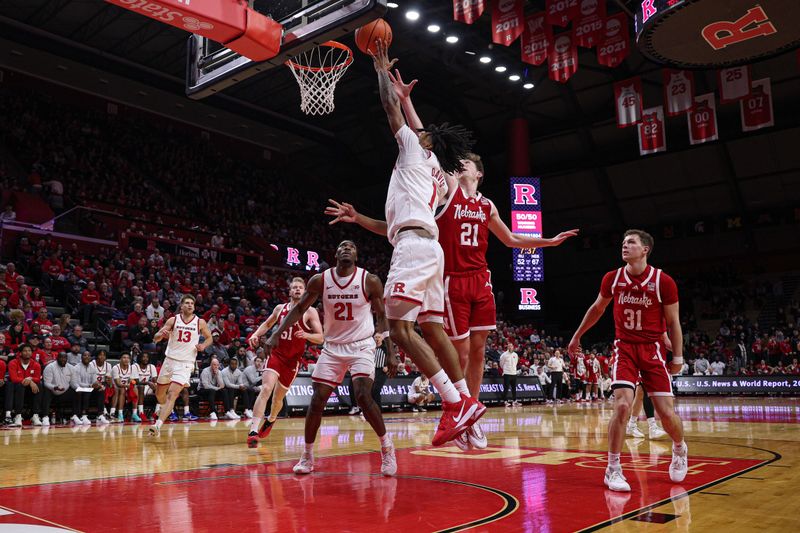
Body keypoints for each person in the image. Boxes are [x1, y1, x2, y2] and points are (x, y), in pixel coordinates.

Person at [337, 39, 485, 446]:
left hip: (414, 248)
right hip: (427, 248)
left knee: (400, 329)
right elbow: (394, 224)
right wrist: (357, 218)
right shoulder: (439, 178)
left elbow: (391, 112)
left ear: (427, 141)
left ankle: (455, 404)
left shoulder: (413, 151)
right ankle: (464, 402)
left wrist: (381, 69)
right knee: (432, 329)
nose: (414, 133)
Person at [264, 240, 400, 475]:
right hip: (333, 346)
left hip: (361, 345)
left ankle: (387, 448)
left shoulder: (369, 280)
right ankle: (307, 454)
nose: (346, 248)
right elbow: (299, 309)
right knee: (317, 400)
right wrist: (276, 332)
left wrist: (391, 352)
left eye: (351, 246)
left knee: (363, 396)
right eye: (342, 246)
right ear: (335, 254)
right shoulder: (320, 280)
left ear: (356, 255)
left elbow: (382, 317)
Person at [568, 229, 688, 492]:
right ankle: (612, 468)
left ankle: (679, 448)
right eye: (623, 242)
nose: (625, 245)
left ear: (645, 249)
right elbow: (597, 308)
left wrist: (677, 356)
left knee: (666, 414)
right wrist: (577, 336)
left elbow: (673, 322)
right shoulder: (613, 278)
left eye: (631, 242)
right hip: (624, 348)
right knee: (622, 406)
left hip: (653, 349)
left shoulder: (662, 281)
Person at [246, 278, 324, 445]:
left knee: (277, 399)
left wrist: (307, 335)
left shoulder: (310, 312)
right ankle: (253, 430)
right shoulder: (280, 308)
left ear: (305, 292)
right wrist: (255, 335)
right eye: (294, 287)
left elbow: (320, 337)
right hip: (276, 355)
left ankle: (272, 418)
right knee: (266, 388)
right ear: (289, 291)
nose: (297, 290)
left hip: (292, 361)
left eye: (300, 288)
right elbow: (267, 324)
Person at [149, 294, 212, 436]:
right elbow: (156, 337)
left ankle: (157, 425)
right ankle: (163, 409)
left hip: (185, 363)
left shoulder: (200, 322)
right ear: (181, 306)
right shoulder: (173, 319)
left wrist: (203, 345)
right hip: (169, 360)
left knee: (173, 393)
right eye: (187, 303)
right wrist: (161, 335)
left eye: (192, 303)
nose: (190, 305)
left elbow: (210, 338)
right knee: (160, 394)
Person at [6, 344, 42, 427]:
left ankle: (35, 415)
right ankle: (18, 416)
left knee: (39, 385)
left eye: (29, 351)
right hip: (16, 390)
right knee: (20, 385)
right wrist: (29, 381)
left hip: (30, 391)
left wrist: (30, 380)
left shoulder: (36, 364)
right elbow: (14, 378)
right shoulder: (13, 363)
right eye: (25, 351)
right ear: (20, 353)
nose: (27, 352)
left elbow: (37, 378)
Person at [40, 351, 75, 426]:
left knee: (77, 391)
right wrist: (54, 387)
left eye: (65, 358)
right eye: (61, 357)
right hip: (52, 391)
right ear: (57, 358)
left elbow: (73, 382)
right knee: (46, 390)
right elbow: (46, 383)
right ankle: (45, 417)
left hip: (65, 392)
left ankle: (74, 416)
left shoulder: (71, 368)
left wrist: (80, 387)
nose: (63, 359)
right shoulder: (50, 367)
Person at [111, 353, 139, 423]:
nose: (126, 359)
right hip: (115, 388)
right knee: (122, 389)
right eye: (124, 357)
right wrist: (127, 385)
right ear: (120, 359)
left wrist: (132, 382)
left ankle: (134, 414)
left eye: (128, 358)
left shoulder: (133, 367)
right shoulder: (115, 368)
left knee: (135, 388)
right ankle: (120, 414)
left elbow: (134, 381)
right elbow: (118, 383)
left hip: (127, 387)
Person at [71, 351, 95, 425]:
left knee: (101, 390)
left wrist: (95, 385)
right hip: (78, 388)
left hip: (88, 388)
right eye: (85, 355)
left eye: (88, 355)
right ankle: (76, 415)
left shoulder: (92, 367)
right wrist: (88, 386)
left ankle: (100, 415)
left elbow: (94, 381)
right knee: (79, 391)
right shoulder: (76, 367)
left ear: (90, 358)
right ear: (81, 357)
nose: (87, 357)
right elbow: (76, 382)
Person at [133, 352, 158, 421]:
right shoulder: (135, 366)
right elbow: (136, 381)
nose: (145, 359)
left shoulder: (151, 366)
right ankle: (141, 413)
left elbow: (155, 380)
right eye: (143, 357)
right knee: (141, 387)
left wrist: (155, 385)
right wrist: (148, 382)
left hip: (148, 387)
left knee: (160, 388)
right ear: (140, 358)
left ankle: (156, 413)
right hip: (136, 387)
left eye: (147, 357)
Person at [89, 350, 112, 424]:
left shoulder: (108, 365)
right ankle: (103, 413)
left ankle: (111, 413)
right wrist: (100, 385)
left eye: (104, 355)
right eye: (100, 355)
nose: (102, 356)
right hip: (92, 385)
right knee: (100, 389)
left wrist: (107, 383)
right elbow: (91, 379)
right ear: (96, 356)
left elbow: (108, 379)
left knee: (111, 388)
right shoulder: (91, 364)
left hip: (104, 384)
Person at [499, 342, 520, 407]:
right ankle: (505, 401)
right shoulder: (504, 355)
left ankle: (514, 401)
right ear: (507, 347)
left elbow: (516, 363)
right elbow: (501, 364)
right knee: (506, 388)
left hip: (514, 373)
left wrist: (513, 370)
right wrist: (505, 370)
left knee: (514, 388)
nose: (510, 347)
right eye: (509, 346)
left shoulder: (515, 355)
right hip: (507, 373)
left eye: (511, 346)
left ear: (513, 347)